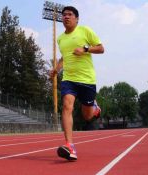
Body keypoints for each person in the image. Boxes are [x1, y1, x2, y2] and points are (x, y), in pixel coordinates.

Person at [50, 6, 104, 161]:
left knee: (87, 116)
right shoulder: (60, 39)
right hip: (69, 79)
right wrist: (56, 70)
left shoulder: (85, 31)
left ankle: (95, 107)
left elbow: (101, 48)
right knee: (67, 106)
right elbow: (64, 57)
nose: (66, 17)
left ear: (77, 18)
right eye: (64, 15)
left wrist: (85, 49)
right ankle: (70, 146)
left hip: (87, 79)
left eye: (70, 14)